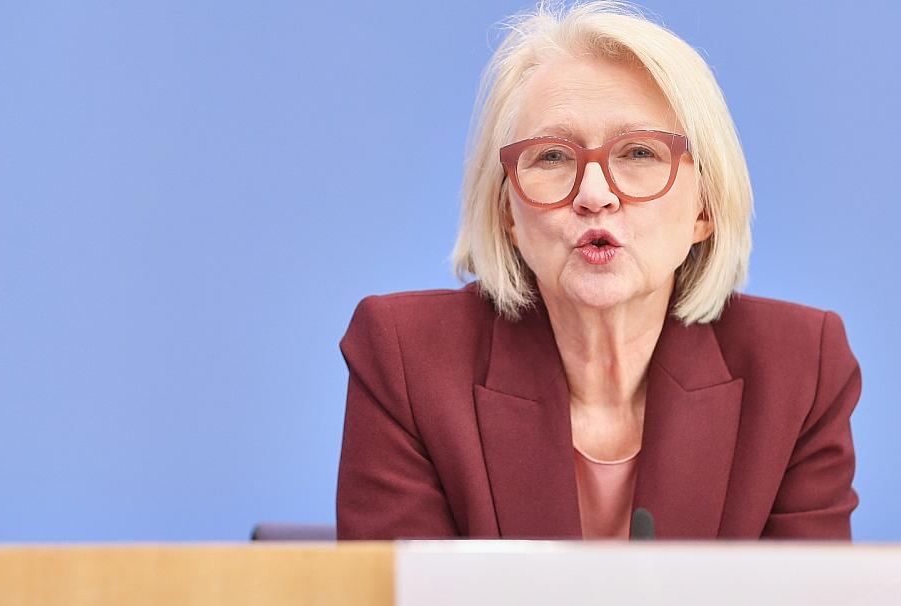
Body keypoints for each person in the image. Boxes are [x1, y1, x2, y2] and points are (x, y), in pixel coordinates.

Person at [335, 1, 861, 540]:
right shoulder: (407, 360)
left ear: (704, 208)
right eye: (551, 157)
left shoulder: (800, 371)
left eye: (638, 153)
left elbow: (805, 596)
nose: (594, 195)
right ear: (506, 211)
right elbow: (400, 594)